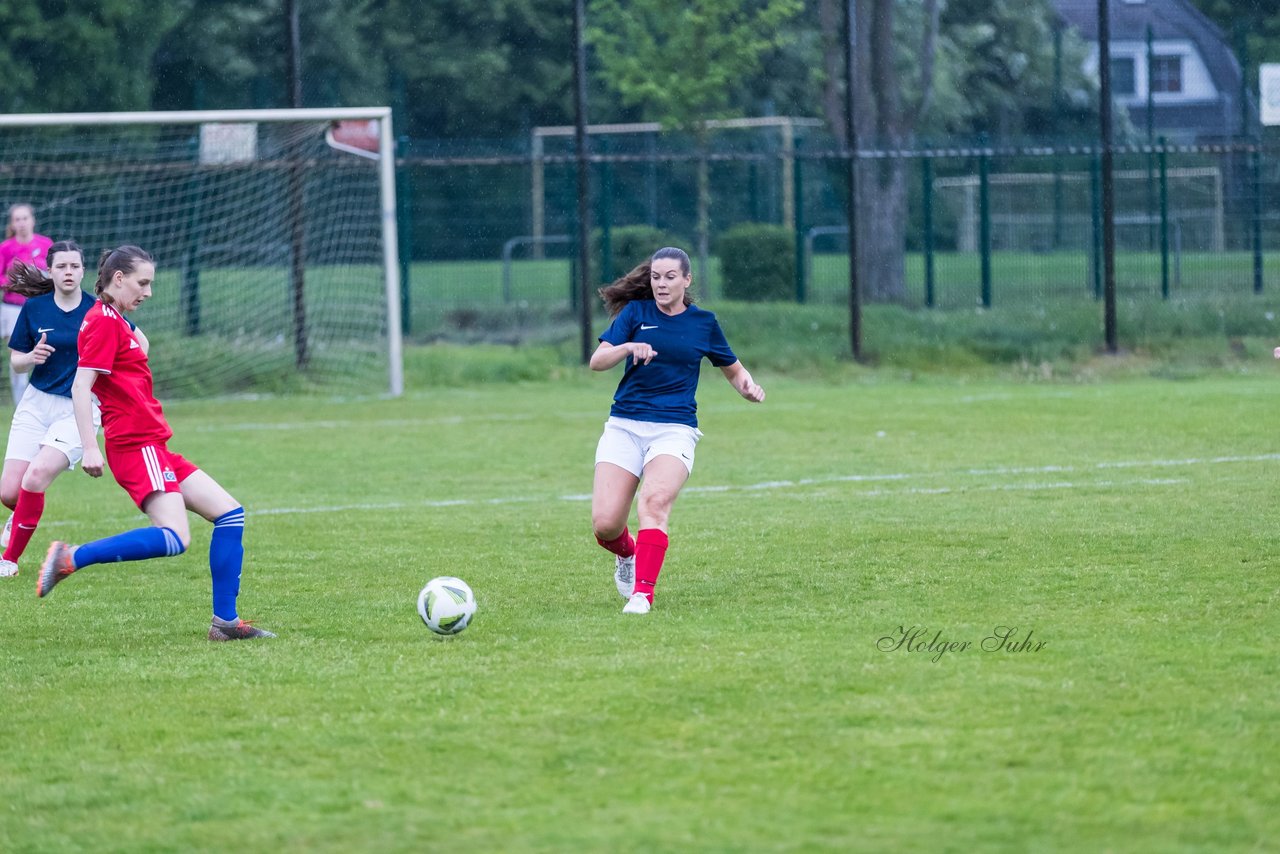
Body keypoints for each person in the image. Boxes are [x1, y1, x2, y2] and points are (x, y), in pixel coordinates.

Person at [36, 245, 274, 642]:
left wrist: (125, 321)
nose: (147, 292)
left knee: (231, 515)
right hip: (135, 444)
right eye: (142, 282)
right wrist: (88, 445)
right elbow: (81, 385)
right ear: (118, 279)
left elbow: (138, 349)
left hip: (154, 445)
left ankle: (225, 623)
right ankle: (71, 556)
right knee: (175, 537)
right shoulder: (103, 322)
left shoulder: (115, 319)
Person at [588, 246, 765, 615]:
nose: (661, 284)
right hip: (625, 425)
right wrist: (627, 347)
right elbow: (597, 361)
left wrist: (748, 387)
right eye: (655, 277)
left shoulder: (703, 323)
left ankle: (642, 596)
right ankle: (628, 554)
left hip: (674, 429)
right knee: (606, 525)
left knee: (653, 503)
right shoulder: (636, 313)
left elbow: (733, 369)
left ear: (687, 280)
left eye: (670, 277)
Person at [0, 242, 109, 578]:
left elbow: (138, 342)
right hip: (36, 403)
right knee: (8, 492)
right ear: (50, 270)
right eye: (61, 266)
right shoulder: (35, 308)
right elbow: (16, 361)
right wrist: (30, 358)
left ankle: (9, 559)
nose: (68, 273)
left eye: (74, 267)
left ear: (83, 270)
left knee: (35, 478)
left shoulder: (98, 310)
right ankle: (19, 516)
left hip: (79, 408)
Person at [0, 204, 54, 405]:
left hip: (42, 309)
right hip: (13, 309)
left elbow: (54, 273)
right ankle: (21, 405)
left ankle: (46, 398)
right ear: (12, 223)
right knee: (19, 356)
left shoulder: (46, 243)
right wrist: (18, 283)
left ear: (32, 220)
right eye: (17, 219)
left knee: (47, 351)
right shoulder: (5, 248)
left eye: (25, 218)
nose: (21, 223)